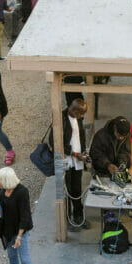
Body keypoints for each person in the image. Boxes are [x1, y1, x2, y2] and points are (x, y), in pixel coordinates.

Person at [54, 98, 89, 230]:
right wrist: (74, 154)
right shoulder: (60, 120)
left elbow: (81, 136)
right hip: (66, 161)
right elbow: (56, 142)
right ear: (73, 110)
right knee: (66, 191)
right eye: (80, 113)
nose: (82, 116)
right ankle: (67, 220)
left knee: (77, 189)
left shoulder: (77, 118)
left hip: (77, 161)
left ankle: (78, 216)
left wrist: (84, 153)